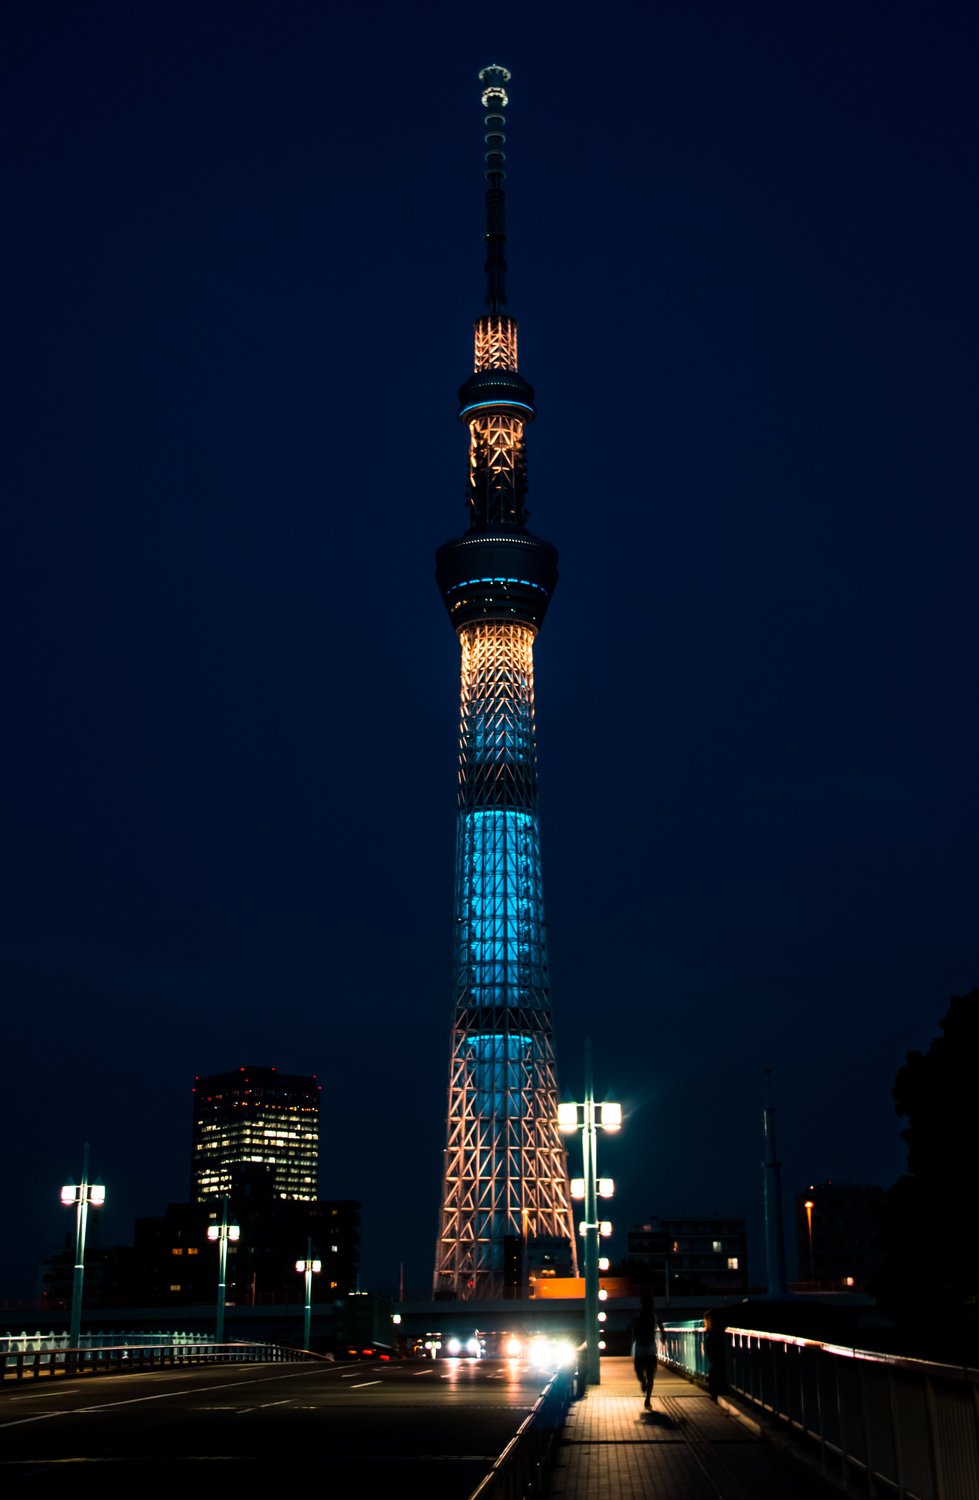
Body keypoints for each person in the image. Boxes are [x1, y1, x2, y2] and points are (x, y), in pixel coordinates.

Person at [631, 1291, 663, 1408]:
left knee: (642, 1372)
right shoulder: (653, 1316)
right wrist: (664, 1338)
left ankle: (646, 1393)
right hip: (649, 1349)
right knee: (648, 1375)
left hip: (642, 1348)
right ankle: (647, 1395)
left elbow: (630, 1327)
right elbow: (662, 1328)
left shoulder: (639, 1316)